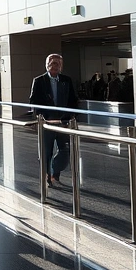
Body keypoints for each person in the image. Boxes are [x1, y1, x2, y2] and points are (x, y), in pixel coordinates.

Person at [28, 53, 79, 188]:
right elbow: (33, 101)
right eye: (52, 62)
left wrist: (69, 116)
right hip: (47, 122)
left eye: (58, 63)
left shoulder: (66, 80)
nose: (55, 65)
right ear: (46, 65)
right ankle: (47, 175)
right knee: (46, 151)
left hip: (63, 122)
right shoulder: (39, 81)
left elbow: (73, 100)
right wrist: (42, 116)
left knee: (65, 151)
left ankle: (54, 171)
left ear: (61, 66)